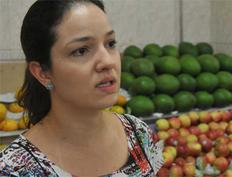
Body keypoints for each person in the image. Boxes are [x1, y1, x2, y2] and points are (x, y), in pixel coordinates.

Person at [0, 0, 163, 176]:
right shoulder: (15, 169)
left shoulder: (138, 133)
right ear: (42, 73)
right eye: (81, 51)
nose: (108, 61)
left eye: (110, 43)